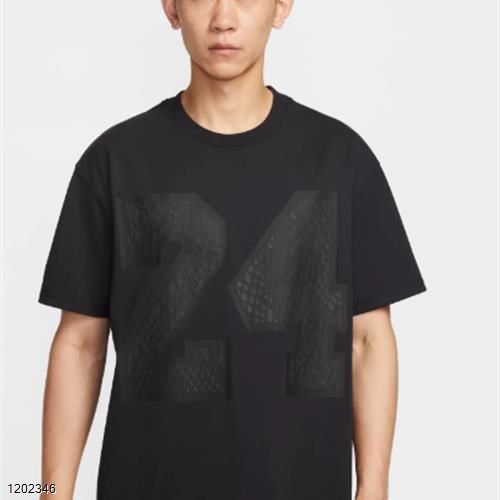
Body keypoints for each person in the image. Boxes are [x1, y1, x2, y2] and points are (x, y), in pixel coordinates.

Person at [37, 0, 427, 499]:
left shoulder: (341, 159)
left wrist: (374, 487)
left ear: (281, 7)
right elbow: (79, 344)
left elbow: (369, 340)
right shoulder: (113, 161)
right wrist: (48, 492)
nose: (224, 18)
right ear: (172, 9)